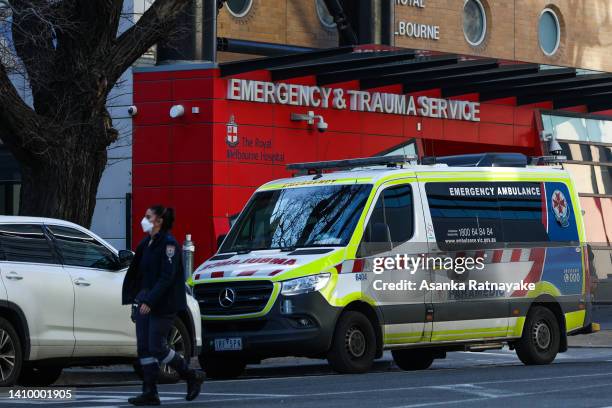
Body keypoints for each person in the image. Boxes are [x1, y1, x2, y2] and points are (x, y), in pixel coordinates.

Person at [122, 205, 205, 406]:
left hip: (163, 304)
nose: (144, 219)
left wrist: (150, 301)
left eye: (148, 216)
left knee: (157, 347)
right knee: (144, 348)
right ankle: (150, 392)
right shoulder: (146, 244)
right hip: (145, 302)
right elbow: (140, 274)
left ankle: (191, 375)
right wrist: (138, 299)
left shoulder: (169, 245)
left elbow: (166, 278)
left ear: (158, 221)